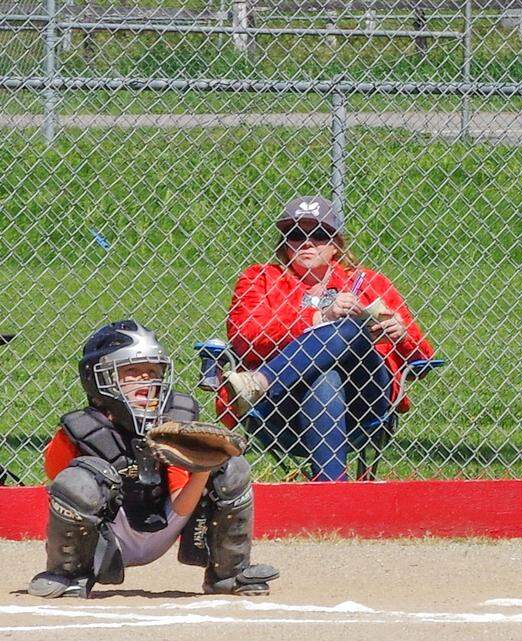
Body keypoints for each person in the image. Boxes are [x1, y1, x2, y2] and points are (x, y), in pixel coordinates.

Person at [28, 320, 278, 598]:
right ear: (100, 379)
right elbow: (58, 486)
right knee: (79, 480)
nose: (145, 381)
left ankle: (229, 574)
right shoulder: (81, 430)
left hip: (164, 524)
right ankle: (68, 574)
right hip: (108, 531)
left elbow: (181, 507)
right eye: (131, 372)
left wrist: (203, 470)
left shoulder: (173, 423)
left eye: (151, 372)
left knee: (233, 469)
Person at [222, 196, 434, 481]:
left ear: (335, 244)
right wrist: (318, 318)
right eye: (296, 235)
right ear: (285, 242)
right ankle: (332, 490)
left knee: (352, 328)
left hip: (364, 396)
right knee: (325, 379)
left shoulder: (370, 283)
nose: (306, 243)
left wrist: (402, 335)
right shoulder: (260, 278)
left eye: (318, 235)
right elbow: (245, 337)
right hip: (284, 402)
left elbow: (423, 360)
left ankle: (260, 382)